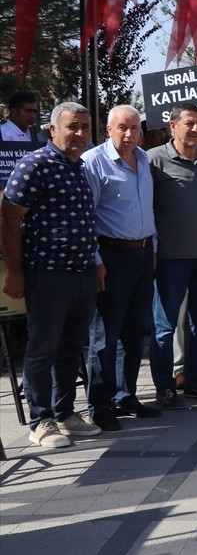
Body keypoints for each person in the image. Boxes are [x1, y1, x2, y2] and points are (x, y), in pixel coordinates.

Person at [2, 102, 104, 447]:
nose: (80, 134)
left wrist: (96, 263)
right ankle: (40, 420)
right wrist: (15, 271)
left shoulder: (80, 167)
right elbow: (9, 219)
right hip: (47, 274)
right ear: (52, 130)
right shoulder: (35, 165)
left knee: (71, 347)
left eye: (85, 127)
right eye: (73, 126)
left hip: (82, 274)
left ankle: (65, 413)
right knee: (42, 348)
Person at [81, 106, 161, 427]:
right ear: (109, 130)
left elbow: (147, 208)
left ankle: (126, 396)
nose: (129, 135)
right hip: (111, 256)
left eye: (134, 129)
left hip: (142, 255)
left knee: (134, 332)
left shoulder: (143, 159)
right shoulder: (93, 163)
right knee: (105, 335)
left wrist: (151, 247)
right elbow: (86, 218)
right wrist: (96, 261)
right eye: (122, 128)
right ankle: (99, 405)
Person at [148, 104, 197, 405]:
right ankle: (164, 387)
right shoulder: (153, 160)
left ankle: (196, 382)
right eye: (190, 123)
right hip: (170, 259)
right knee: (164, 327)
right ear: (173, 126)